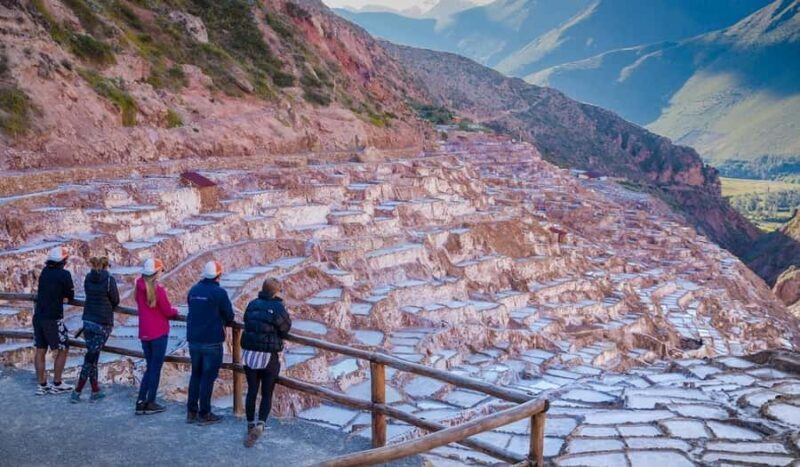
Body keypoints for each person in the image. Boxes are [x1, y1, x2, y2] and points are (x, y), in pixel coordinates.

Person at [241, 278, 291, 448]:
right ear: (276, 291)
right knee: (267, 393)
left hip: (249, 354)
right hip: (268, 356)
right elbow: (285, 327)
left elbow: (247, 320)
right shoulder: (277, 307)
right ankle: (261, 424)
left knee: (252, 391)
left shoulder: (252, 303)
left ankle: (250, 424)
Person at [186, 260, 234, 425]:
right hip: (211, 340)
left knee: (196, 374)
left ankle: (191, 411)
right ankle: (204, 413)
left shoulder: (193, 290)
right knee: (207, 377)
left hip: (193, 339)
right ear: (218, 275)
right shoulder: (219, 293)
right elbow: (230, 316)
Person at [71, 256, 119, 403]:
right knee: (91, 357)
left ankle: (95, 390)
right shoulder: (109, 280)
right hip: (102, 323)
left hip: (88, 321)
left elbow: (88, 294)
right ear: (106, 266)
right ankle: (77, 391)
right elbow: (115, 300)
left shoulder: (87, 278)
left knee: (93, 355)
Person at [135, 258, 178, 415]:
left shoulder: (138, 287)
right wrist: (175, 312)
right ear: (157, 272)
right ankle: (150, 401)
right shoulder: (158, 290)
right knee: (155, 368)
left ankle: (141, 401)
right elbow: (167, 311)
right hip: (159, 333)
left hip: (144, 333)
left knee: (149, 367)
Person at [33, 246, 75, 395]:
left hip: (38, 316)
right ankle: (57, 383)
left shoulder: (44, 272)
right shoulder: (64, 274)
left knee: (40, 350)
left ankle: (42, 385)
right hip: (53, 317)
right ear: (63, 261)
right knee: (63, 348)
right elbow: (70, 295)